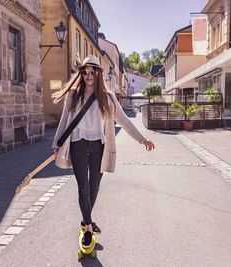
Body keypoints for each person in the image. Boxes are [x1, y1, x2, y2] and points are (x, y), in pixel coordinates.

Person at [52, 55, 155, 248]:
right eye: (85, 72)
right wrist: (57, 143)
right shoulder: (73, 95)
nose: (88, 75)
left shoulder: (107, 97)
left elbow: (124, 121)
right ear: (81, 73)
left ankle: (85, 220)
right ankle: (89, 229)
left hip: (99, 147)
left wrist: (142, 139)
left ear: (98, 74)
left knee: (94, 188)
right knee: (83, 188)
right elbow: (65, 121)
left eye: (92, 72)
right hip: (78, 146)